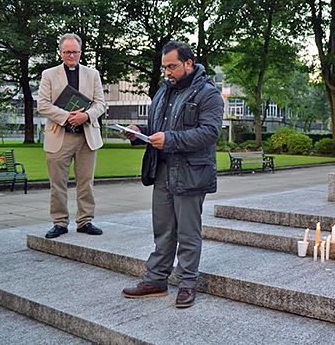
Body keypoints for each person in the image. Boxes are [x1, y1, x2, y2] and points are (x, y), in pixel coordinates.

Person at [121, 41, 224, 309]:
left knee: (188, 233)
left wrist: (170, 139)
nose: (167, 72)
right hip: (163, 170)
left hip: (191, 173)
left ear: (188, 63)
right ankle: (156, 280)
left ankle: (188, 284)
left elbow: (210, 133)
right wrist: (139, 131)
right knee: (163, 231)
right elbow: (159, 127)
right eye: (164, 66)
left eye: (172, 66)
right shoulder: (164, 91)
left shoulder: (207, 94)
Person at [37, 33, 107, 239]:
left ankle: (85, 221)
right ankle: (59, 222)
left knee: (86, 182)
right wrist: (68, 117)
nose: (71, 55)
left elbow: (100, 103)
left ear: (80, 52)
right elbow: (43, 105)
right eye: (67, 52)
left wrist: (85, 115)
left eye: (75, 52)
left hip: (87, 136)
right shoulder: (49, 74)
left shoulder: (92, 74)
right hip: (60, 134)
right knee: (57, 183)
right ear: (60, 53)